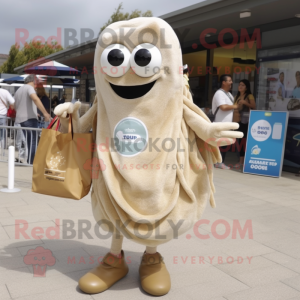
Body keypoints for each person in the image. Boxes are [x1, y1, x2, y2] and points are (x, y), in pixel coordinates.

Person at [54, 18, 242, 296]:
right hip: (113, 166)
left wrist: (209, 131)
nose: (127, 67)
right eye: (116, 57)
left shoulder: (175, 95)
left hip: (160, 165)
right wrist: (71, 118)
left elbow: (190, 115)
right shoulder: (104, 101)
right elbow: (82, 128)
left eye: (142, 57)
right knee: (114, 207)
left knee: (156, 203)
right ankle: (114, 258)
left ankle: (152, 257)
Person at [14, 75, 51, 164]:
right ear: (33, 81)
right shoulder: (30, 88)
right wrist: (45, 113)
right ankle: (32, 162)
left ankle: (30, 160)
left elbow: (15, 106)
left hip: (21, 119)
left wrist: (34, 112)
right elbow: (35, 98)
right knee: (33, 142)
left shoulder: (19, 90)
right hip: (29, 119)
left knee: (28, 141)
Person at [212, 74, 239, 169]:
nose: (231, 82)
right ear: (223, 82)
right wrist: (235, 106)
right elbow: (223, 107)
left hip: (226, 124)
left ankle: (220, 162)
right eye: (229, 80)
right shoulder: (219, 93)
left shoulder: (228, 94)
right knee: (220, 143)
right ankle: (218, 162)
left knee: (224, 143)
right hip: (220, 123)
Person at [234, 79, 256, 167]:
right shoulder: (236, 96)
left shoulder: (249, 95)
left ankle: (241, 162)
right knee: (239, 141)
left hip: (245, 120)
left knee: (243, 140)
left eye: (242, 85)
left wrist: (245, 103)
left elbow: (254, 106)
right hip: (237, 120)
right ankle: (240, 160)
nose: (240, 86)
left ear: (246, 87)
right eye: (239, 85)